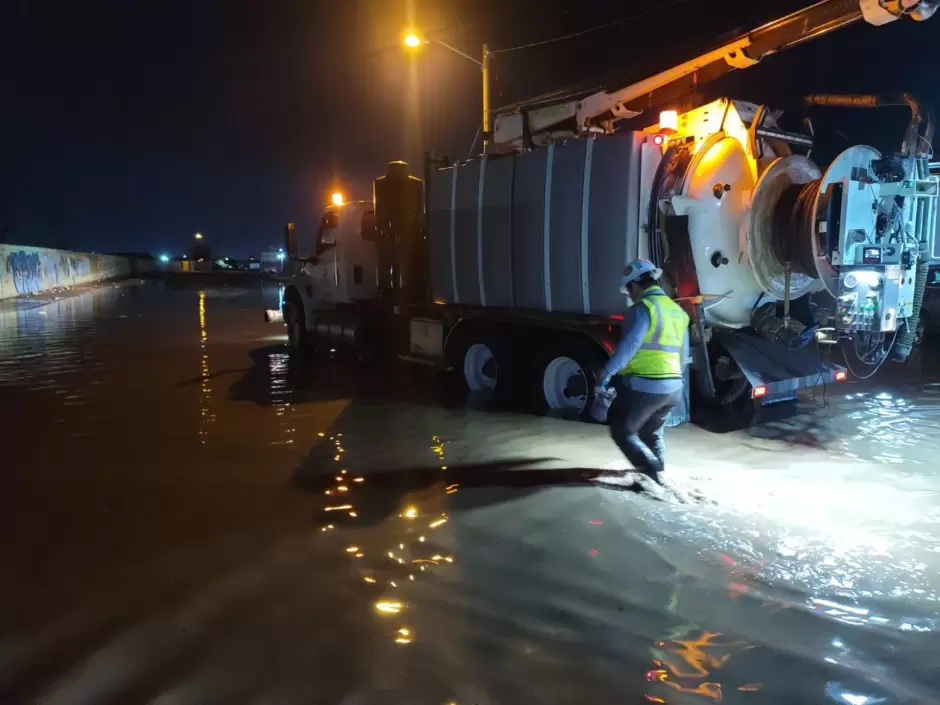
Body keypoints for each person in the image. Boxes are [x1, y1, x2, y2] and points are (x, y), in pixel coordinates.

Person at [596, 259, 689, 485]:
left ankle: (652, 473)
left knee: (621, 428)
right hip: (674, 387)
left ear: (634, 285)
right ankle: (661, 479)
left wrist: (605, 374)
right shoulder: (677, 311)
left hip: (647, 386)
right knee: (652, 434)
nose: (629, 294)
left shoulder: (641, 309)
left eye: (628, 290)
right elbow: (683, 354)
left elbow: (629, 346)